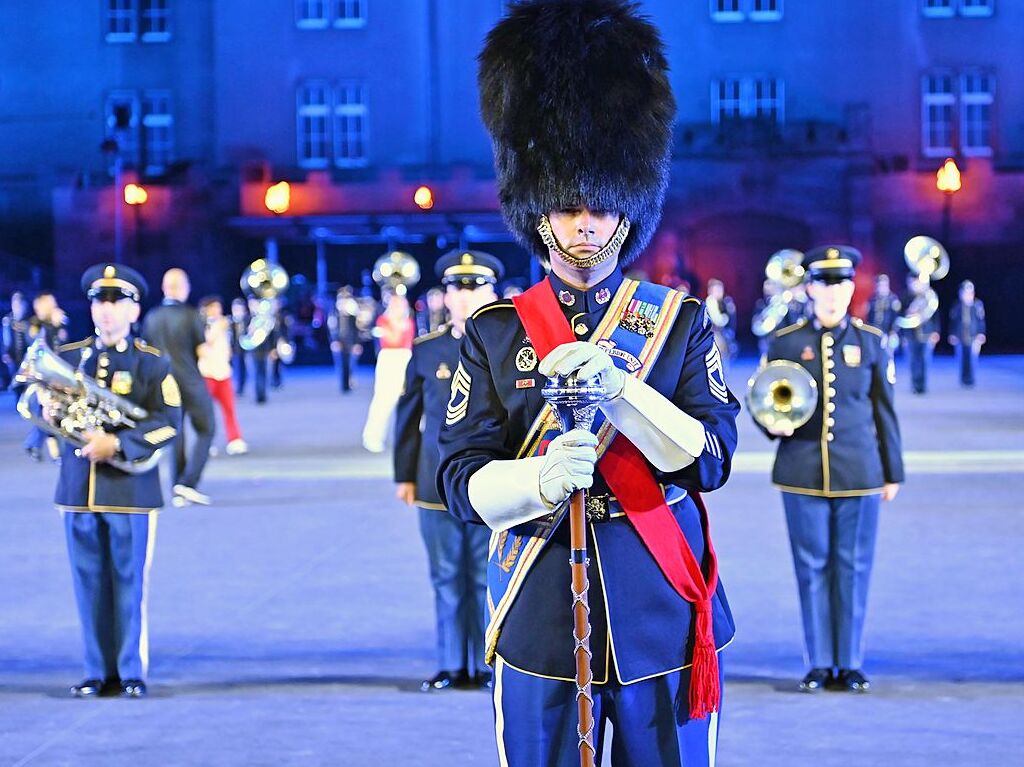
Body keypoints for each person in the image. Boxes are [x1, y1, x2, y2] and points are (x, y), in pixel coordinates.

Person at [438, 3, 739, 763]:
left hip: (656, 608)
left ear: (627, 210)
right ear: (537, 212)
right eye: (568, 207)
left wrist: (623, 393)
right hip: (540, 603)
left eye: (602, 206)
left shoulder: (677, 322)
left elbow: (710, 460)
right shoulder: (495, 330)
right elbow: (457, 478)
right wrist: (538, 480)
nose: (585, 225)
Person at [758, 246, 904, 694]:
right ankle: (820, 662)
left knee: (854, 566)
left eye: (841, 283)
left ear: (851, 287)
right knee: (812, 567)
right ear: (809, 288)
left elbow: (885, 412)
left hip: (861, 471)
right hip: (801, 470)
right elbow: (766, 400)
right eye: (824, 283)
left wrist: (892, 472)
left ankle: (851, 662)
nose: (833, 292)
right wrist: (773, 425)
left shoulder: (872, 342)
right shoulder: (784, 341)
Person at [51, 263, 181, 698]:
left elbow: (169, 422)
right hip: (77, 490)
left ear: (133, 309)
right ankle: (95, 670)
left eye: (116, 302)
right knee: (86, 582)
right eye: (99, 302)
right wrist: (49, 428)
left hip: (130, 490)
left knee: (128, 581)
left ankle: (129, 671)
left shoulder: (151, 362)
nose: (106, 311)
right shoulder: (68, 358)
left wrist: (120, 444)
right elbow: (45, 411)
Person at [394, 251, 502, 693]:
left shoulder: (510, 346)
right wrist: (404, 475)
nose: (466, 297)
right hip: (434, 481)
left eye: (476, 287)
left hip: (486, 480)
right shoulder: (426, 350)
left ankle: (484, 664)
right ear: (446, 297)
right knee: (444, 576)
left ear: (493, 293)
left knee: (483, 576)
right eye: (459, 289)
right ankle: (450, 663)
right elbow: (407, 418)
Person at [142, 268, 216, 506]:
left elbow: (146, 354)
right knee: (207, 429)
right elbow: (202, 351)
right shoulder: (191, 315)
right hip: (190, 380)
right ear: (184, 288)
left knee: (176, 433)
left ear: (165, 288)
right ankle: (189, 482)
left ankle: (177, 486)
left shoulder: (151, 317)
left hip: (162, 382)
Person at [361, 291, 415, 453]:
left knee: (412, 397)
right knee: (384, 399)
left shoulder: (409, 321)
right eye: (396, 304)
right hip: (390, 359)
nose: (399, 307)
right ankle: (373, 437)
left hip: (406, 357)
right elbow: (393, 339)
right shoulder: (383, 320)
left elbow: (407, 338)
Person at [198, 296, 248, 455]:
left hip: (223, 372)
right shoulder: (201, 325)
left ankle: (235, 439)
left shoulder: (226, 325)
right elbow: (205, 343)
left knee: (229, 409)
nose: (217, 311)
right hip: (206, 373)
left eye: (218, 308)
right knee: (206, 411)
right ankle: (206, 442)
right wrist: (217, 328)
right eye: (213, 308)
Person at [23, 291, 68, 460]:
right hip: (39, 377)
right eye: (50, 303)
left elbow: (62, 346)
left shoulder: (55, 324)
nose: (54, 306)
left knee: (49, 413)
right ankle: (37, 445)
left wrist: (59, 326)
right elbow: (39, 345)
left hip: (54, 375)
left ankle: (37, 445)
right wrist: (55, 327)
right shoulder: (34, 324)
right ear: (40, 306)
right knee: (45, 412)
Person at [900, 274, 940, 394]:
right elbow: (900, 319)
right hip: (910, 336)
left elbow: (935, 316)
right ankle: (915, 385)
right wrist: (903, 336)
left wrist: (935, 332)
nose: (914, 285)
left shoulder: (929, 297)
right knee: (912, 361)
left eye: (916, 282)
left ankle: (922, 385)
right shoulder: (905, 297)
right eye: (911, 282)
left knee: (925, 361)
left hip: (926, 334)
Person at [948, 280, 986, 388]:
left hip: (973, 336)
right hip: (960, 337)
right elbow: (953, 321)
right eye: (965, 292)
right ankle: (963, 379)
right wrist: (952, 334)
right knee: (961, 359)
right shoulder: (957, 306)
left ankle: (971, 379)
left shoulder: (977, 305)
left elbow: (981, 320)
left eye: (970, 293)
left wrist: (981, 333)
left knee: (972, 358)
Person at [327, 286, 358, 394]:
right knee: (340, 364)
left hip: (350, 342)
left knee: (351, 364)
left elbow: (356, 329)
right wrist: (334, 341)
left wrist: (356, 343)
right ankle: (343, 384)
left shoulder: (352, 315)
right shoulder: (334, 313)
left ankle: (349, 382)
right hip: (339, 342)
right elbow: (332, 328)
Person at [705, 278, 737, 374]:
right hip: (714, 335)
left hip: (724, 335)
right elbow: (718, 321)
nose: (719, 293)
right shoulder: (710, 303)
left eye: (720, 290)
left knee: (726, 358)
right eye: (716, 290)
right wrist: (725, 318)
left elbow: (731, 320)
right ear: (710, 291)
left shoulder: (725, 302)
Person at [865, 274, 901, 354]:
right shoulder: (872, 299)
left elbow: (896, 318)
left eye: (883, 285)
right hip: (875, 332)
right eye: (878, 285)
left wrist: (893, 331)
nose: (880, 288)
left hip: (889, 333)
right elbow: (869, 317)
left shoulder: (893, 299)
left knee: (888, 356)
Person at [1, 290, 30, 391]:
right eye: (15, 305)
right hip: (13, 359)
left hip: (27, 358)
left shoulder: (29, 321)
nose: (17, 308)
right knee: (17, 385)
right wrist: (5, 354)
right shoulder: (7, 321)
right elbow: (5, 341)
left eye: (19, 305)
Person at [229, 297, 249, 395]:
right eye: (234, 309)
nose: (236, 312)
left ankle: (242, 386)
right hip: (234, 349)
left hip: (246, 350)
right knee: (235, 369)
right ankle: (237, 387)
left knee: (243, 368)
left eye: (239, 309)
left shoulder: (248, 321)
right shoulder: (230, 322)